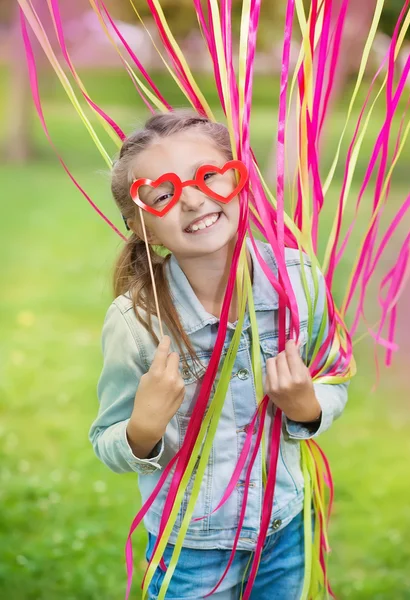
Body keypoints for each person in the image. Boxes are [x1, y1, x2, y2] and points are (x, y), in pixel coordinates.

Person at [89, 109, 351, 599]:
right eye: (162, 195)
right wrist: (142, 430)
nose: (191, 199)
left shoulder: (298, 283)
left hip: (287, 527)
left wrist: (308, 407)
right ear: (138, 224)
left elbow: (335, 374)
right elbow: (107, 438)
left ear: (239, 180)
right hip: (190, 549)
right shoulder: (136, 322)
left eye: (208, 176)